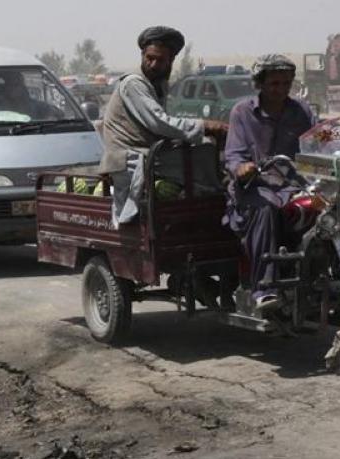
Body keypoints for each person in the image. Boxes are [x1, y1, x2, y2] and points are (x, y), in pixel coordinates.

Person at [99, 26, 227, 226]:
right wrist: (205, 125)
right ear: (142, 55)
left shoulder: (158, 83)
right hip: (131, 158)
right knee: (205, 153)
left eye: (160, 60)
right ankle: (213, 207)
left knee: (204, 149)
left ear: (171, 61)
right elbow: (158, 122)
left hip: (147, 154)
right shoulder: (134, 84)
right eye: (150, 58)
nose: (153, 64)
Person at [223, 54, 315, 312]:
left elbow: (318, 143)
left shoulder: (302, 111)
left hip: (294, 186)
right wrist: (241, 168)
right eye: (275, 84)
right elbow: (233, 155)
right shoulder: (242, 112)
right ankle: (265, 289)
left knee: (332, 210)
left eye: (286, 83)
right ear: (260, 84)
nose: (281, 89)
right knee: (266, 210)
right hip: (254, 188)